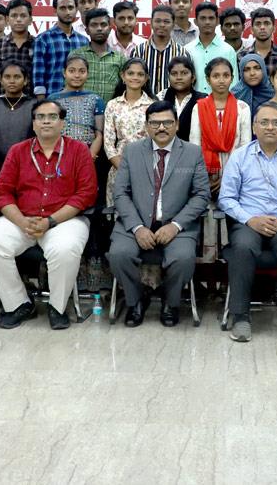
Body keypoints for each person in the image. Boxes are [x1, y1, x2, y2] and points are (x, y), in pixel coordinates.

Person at [0, 101, 98, 330]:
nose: (46, 121)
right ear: (33, 124)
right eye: (40, 117)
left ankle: (57, 307)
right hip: (22, 219)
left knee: (64, 249)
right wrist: (22, 221)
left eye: (52, 117)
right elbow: (1, 193)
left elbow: (86, 194)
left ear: (62, 123)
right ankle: (19, 304)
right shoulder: (18, 151)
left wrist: (50, 221)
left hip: (64, 220)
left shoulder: (79, 150)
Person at [108, 101, 211, 327]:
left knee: (183, 258)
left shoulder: (192, 153)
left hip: (177, 224)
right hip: (135, 223)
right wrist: (137, 227)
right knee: (118, 255)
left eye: (167, 122)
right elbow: (121, 193)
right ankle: (136, 300)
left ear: (176, 125)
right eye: (155, 123)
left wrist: (175, 225)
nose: (161, 127)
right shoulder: (133, 151)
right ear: (146, 126)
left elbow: (201, 195)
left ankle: (170, 301)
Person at [219, 103, 277, 343]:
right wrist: (250, 219)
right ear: (254, 127)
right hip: (248, 222)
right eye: (264, 122)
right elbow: (226, 198)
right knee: (241, 247)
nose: (270, 127)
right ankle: (240, 316)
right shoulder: (240, 156)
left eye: (276, 123)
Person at [189, 58, 252, 263]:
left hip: (235, 175)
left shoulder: (242, 108)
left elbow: (245, 146)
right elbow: (194, 144)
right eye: (216, 76)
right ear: (207, 79)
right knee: (208, 223)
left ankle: (228, 274)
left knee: (231, 220)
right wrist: (205, 177)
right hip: (207, 175)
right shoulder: (199, 108)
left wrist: (227, 178)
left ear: (233, 78)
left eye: (226, 75)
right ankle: (208, 280)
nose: (221, 80)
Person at [0, 62, 35, 209]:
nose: (12, 80)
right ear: (0, 79)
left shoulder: (33, 105)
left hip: (27, 165)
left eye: (17, 77)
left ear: (26, 80)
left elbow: (35, 137)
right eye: (7, 77)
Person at [103, 58, 156, 204]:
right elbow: (108, 143)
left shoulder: (153, 106)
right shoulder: (112, 105)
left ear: (146, 78)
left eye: (140, 74)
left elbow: (158, 140)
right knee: (119, 213)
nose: (135, 77)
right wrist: (123, 168)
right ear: (123, 76)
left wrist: (142, 169)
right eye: (131, 73)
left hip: (147, 167)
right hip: (119, 166)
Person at [32, 0, 89, 97]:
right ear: (55, 11)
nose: (67, 12)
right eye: (63, 8)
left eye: (71, 8)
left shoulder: (84, 40)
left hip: (79, 99)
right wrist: (42, 103)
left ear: (76, 9)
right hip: (52, 99)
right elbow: (38, 76)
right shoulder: (43, 39)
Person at [48, 54, 105, 158]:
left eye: (82, 71)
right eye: (72, 71)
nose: (77, 75)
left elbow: (99, 133)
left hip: (87, 153)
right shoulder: (53, 100)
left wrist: (90, 155)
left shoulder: (96, 99)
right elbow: (49, 129)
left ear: (88, 73)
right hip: (59, 153)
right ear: (64, 73)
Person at [69, 7, 126, 102]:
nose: (99, 28)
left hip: (110, 112)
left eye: (103, 25)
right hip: (81, 111)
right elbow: (68, 86)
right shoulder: (76, 55)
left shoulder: (119, 58)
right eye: (94, 25)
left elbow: (124, 88)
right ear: (87, 30)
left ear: (110, 28)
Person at [184, 1, 238, 94]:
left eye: (211, 18)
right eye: (203, 18)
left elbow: (233, 84)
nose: (207, 22)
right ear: (196, 22)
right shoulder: (187, 50)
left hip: (221, 104)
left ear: (217, 21)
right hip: (193, 105)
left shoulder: (228, 50)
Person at [0, 0, 36, 98]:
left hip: (30, 103)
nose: (18, 19)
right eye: (14, 16)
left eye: (23, 16)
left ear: (30, 20)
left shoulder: (38, 44)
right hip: (3, 103)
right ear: (7, 20)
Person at [134, 4, 187, 97]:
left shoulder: (182, 53)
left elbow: (186, 83)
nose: (162, 25)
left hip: (171, 105)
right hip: (143, 103)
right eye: (158, 21)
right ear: (151, 22)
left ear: (173, 24)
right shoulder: (138, 51)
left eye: (166, 21)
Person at [159, 55, 207, 140]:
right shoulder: (161, 97)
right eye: (174, 74)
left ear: (193, 77)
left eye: (184, 73)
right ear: (168, 78)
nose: (179, 77)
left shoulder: (203, 100)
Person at [238, 7, 277, 71]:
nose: (262, 27)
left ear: (274, 28)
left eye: (267, 23)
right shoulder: (242, 56)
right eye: (258, 24)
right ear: (251, 29)